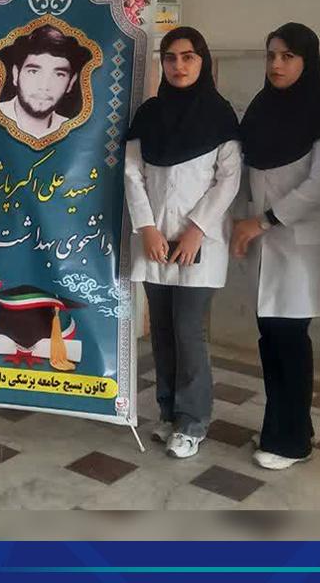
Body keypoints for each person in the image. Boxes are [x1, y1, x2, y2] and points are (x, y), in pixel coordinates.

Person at [232, 22, 320, 471]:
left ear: (307, 60)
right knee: (271, 338)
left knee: (288, 340)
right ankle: (285, 428)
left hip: (302, 243)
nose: (277, 64)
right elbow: (250, 171)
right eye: (271, 55)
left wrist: (262, 221)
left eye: (288, 56)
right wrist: (244, 222)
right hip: (264, 240)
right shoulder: (262, 107)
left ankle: (290, 442)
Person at [124, 26, 241, 459]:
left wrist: (197, 229)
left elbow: (229, 179)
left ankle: (193, 421)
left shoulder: (220, 115)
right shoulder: (149, 114)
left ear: (202, 60)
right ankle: (168, 412)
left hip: (199, 242)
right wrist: (147, 228)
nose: (178, 65)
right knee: (162, 331)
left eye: (188, 57)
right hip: (154, 238)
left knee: (188, 331)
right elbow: (132, 173)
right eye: (170, 58)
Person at [0, 24, 90, 139]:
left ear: (71, 82)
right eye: (33, 72)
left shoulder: (75, 131)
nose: (44, 86)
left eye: (59, 74)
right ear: (16, 74)